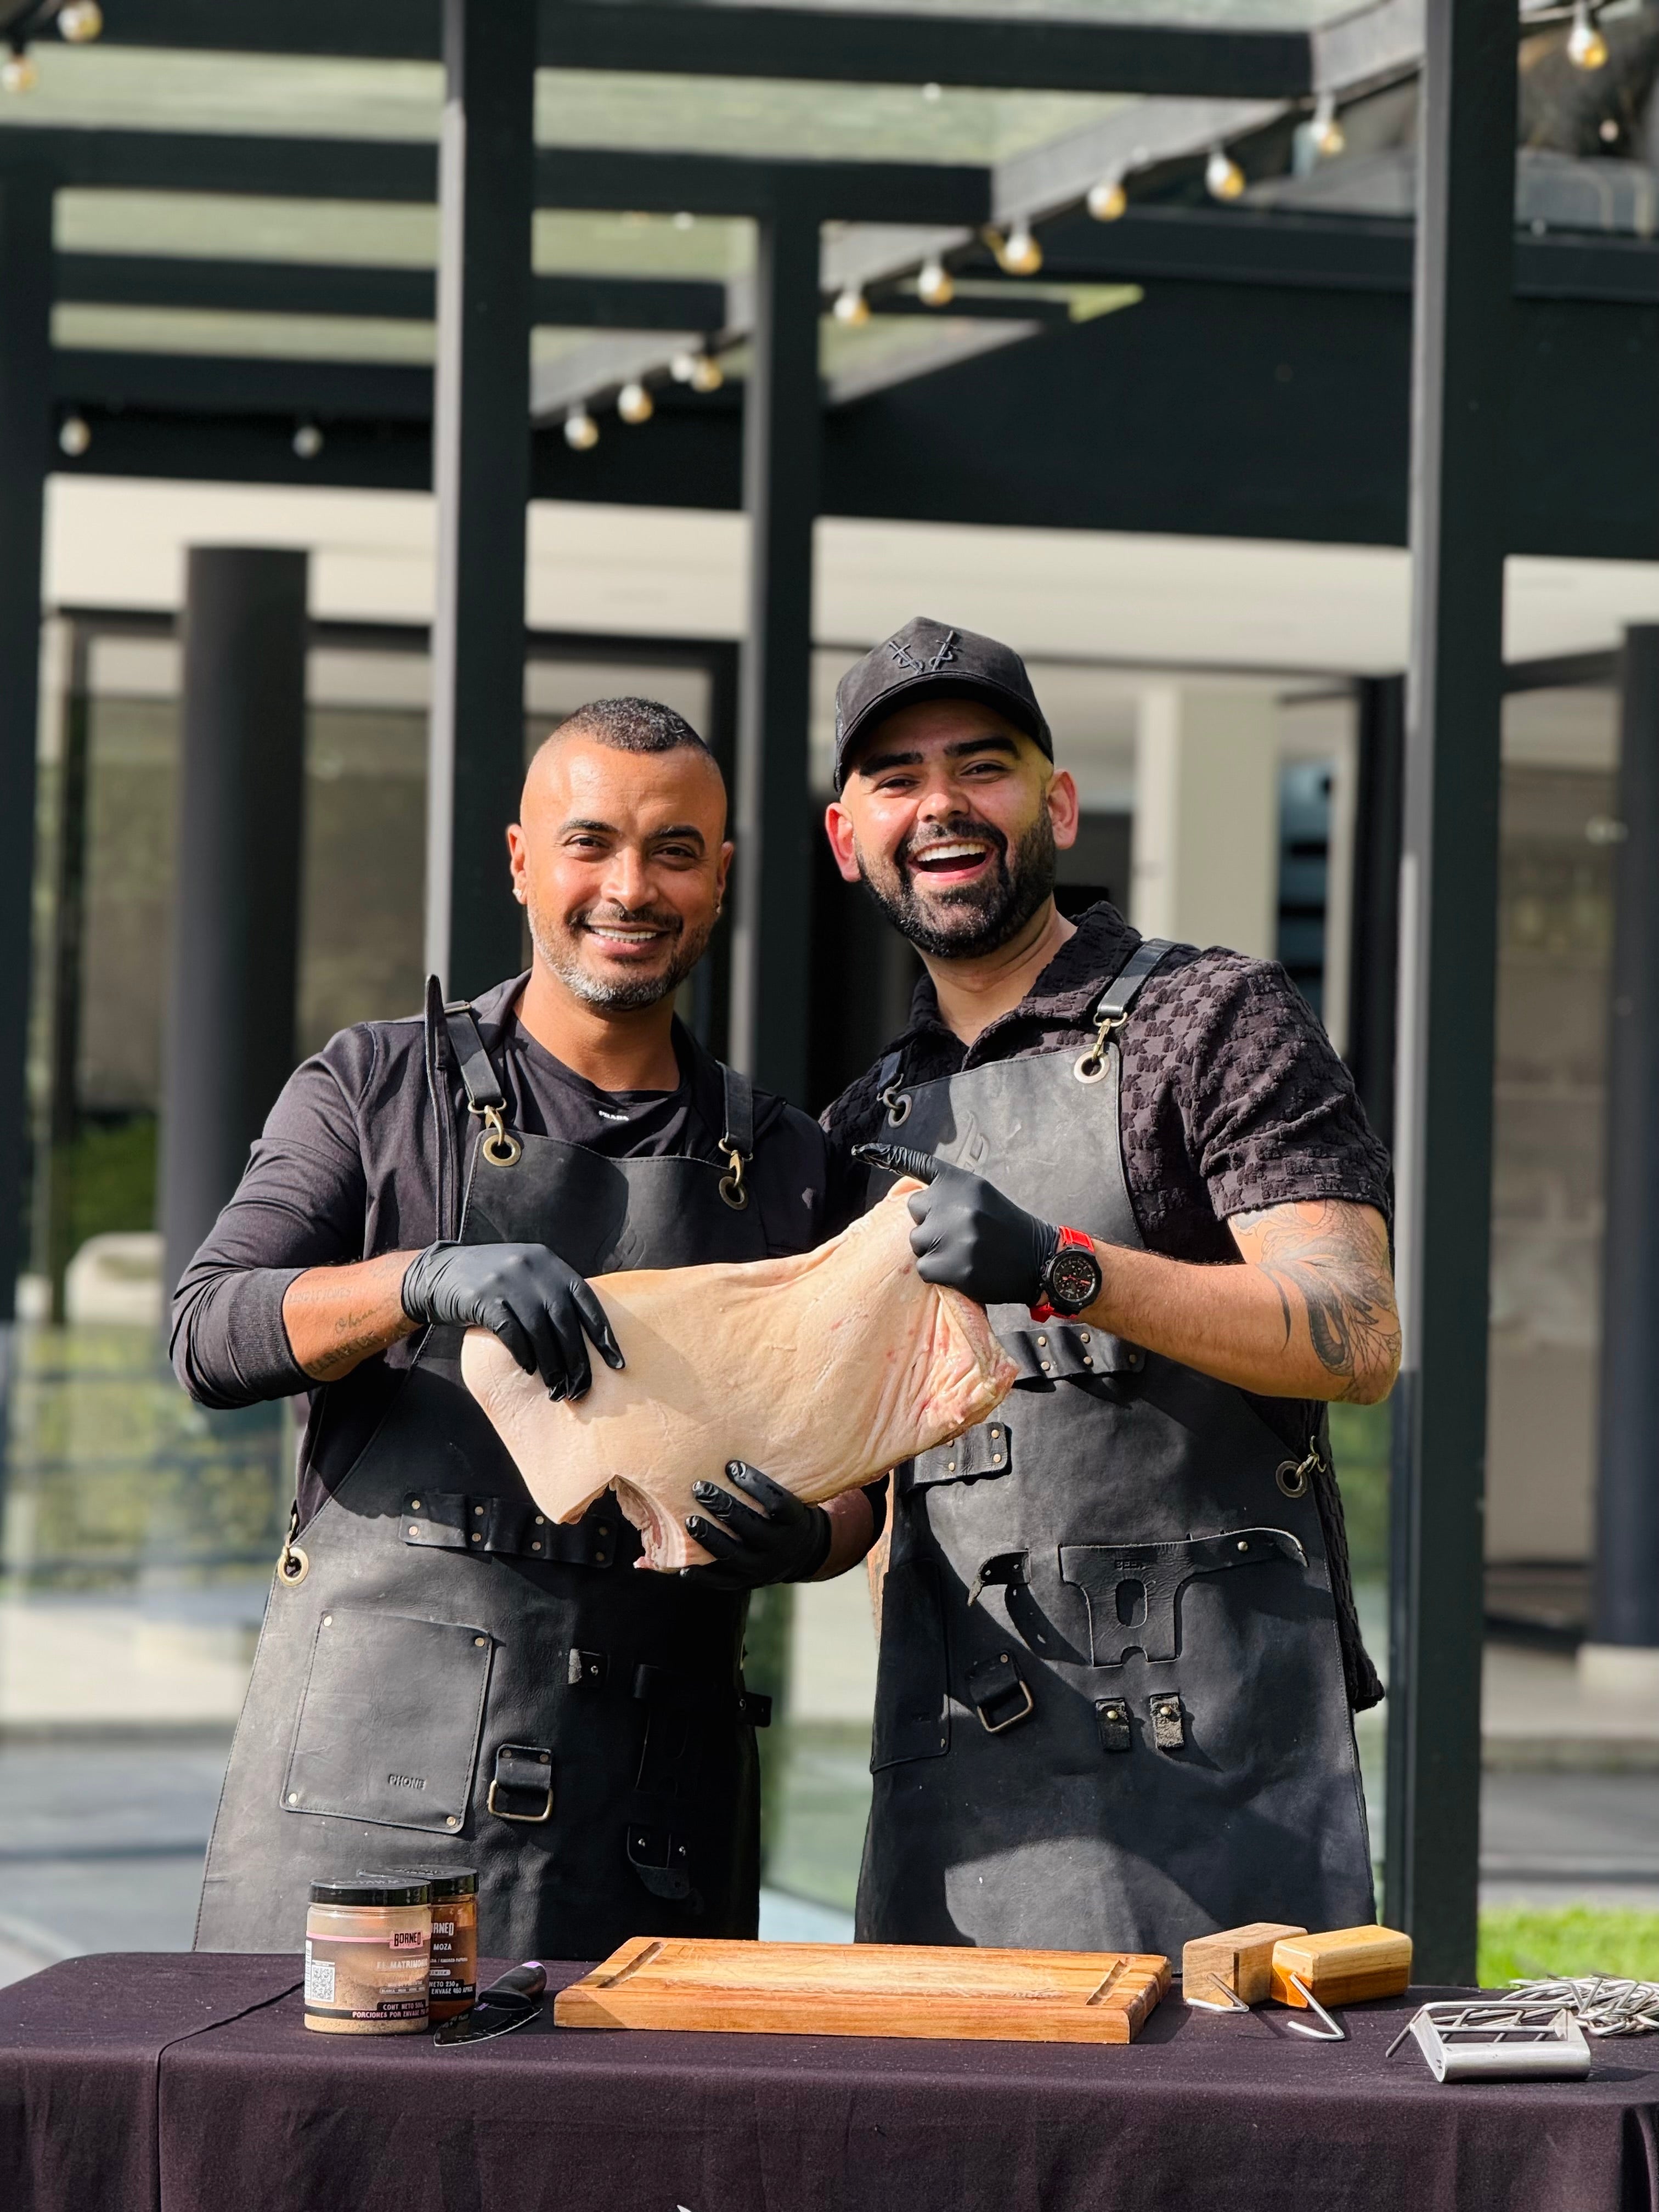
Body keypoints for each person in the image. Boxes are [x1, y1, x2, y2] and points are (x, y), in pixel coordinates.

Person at [176, 697, 877, 1959]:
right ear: (520, 860)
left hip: (656, 1821)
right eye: (590, 843)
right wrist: (418, 1280)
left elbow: (862, 1482)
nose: (631, 888)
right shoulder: (376, 1087)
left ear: (721, 878)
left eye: (674, 852)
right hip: (373, 1801)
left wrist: (811, 1538)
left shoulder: (788, 1162)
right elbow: (209, 1330)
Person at [820, 617, 1398, 1957]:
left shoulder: (1216, 1020)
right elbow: (888, 1488)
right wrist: (800, 1531)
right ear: (848, 838)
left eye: (983, 767)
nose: (941, 805)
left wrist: (1060, 1269)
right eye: (898, 780)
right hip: (961, 1786)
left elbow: (1358, 1333)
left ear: (1059, 806)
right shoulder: (863, 1122)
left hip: (1216, 1771)